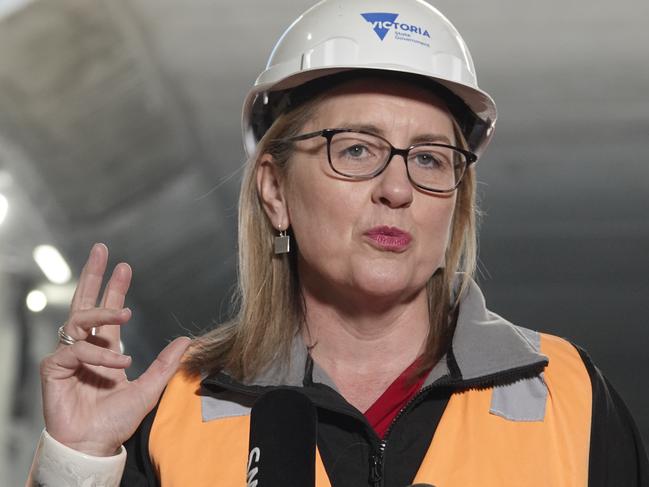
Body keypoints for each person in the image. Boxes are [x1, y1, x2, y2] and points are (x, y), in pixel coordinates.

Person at [27, 0, 648, 486]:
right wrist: (77, 462)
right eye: (356, 149)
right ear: (274, 190)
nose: (397, 189)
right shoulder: (174, 411)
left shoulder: (567, 396)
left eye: (430, 159)